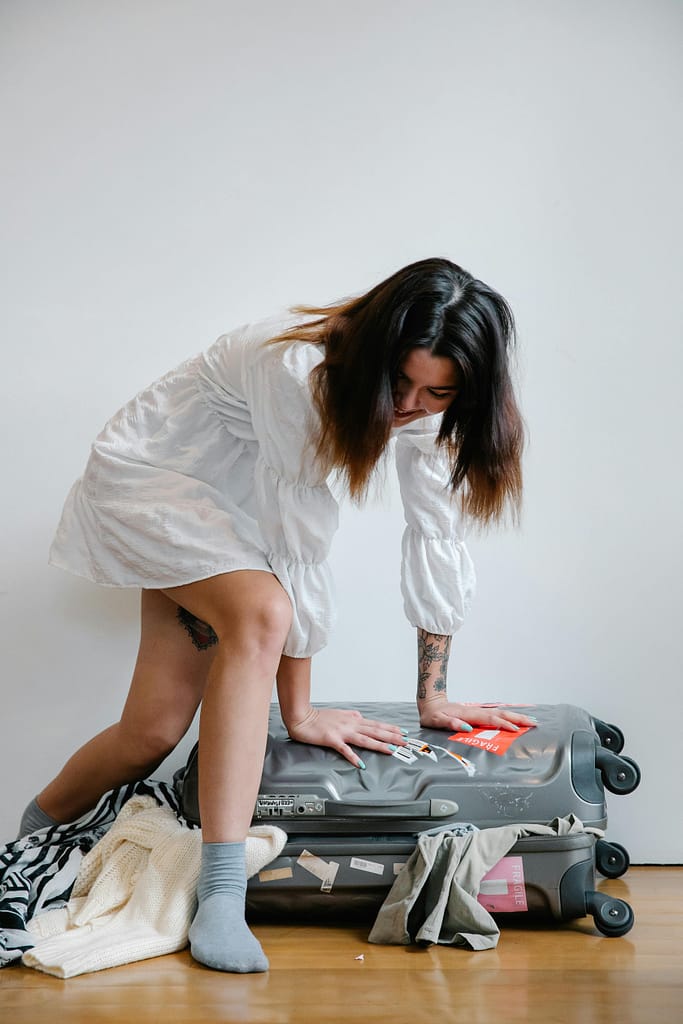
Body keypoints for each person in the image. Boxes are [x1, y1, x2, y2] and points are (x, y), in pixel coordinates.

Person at [18, 256, 535, 973]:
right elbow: (297, 550)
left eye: (437, 392)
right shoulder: (299, 369)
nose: (410, 406)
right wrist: (300, 712)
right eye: (400, 383)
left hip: (226, 512)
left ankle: (30, 835)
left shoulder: (422, 403)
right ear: (375, 353)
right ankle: (221, 897)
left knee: (152, 731)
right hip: (150, 485)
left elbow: (434, 531)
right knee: (262, 613)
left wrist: (433, 694)